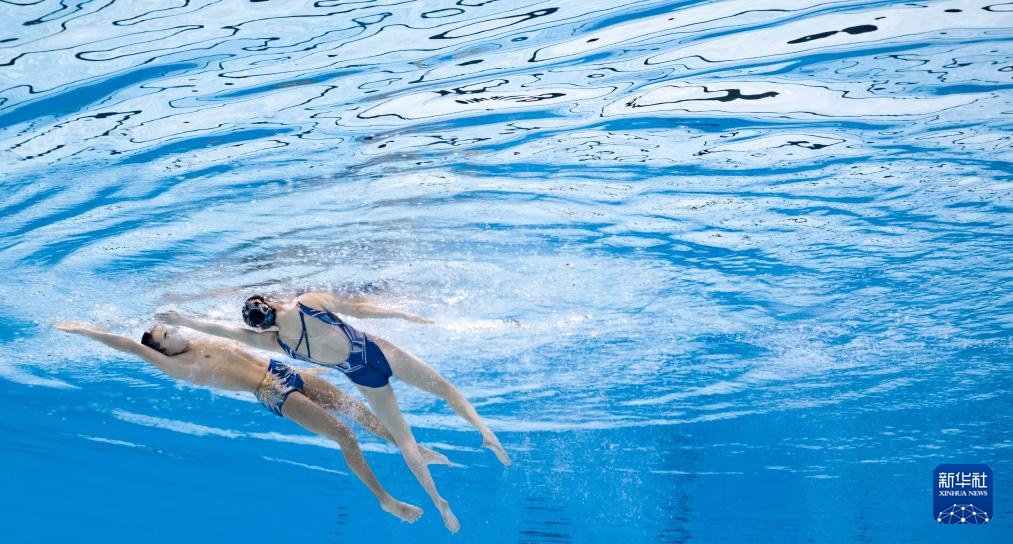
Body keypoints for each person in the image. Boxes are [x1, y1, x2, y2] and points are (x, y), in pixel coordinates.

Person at [157, 292, 509, 533]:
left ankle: (430, 484)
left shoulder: (272, 342)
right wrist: (404, 314)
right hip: (338, 365)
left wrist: (184, 318)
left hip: (329, 373)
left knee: (390, 432)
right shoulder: (306, 302)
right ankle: (473, 439)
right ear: (270, 301)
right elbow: (360, 308)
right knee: (429, 398)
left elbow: (223, 330)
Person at [53, 320, 447, 526]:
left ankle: (411, 450)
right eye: (166, 334)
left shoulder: (197, 341)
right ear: (161, 349)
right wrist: (86, 331)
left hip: (281, 370)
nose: (173, 333)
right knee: (344, 434)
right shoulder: (175, 365)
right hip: (271, 391)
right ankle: (384, 499)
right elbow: (127, 344)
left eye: (169, 329)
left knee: (357, 410)